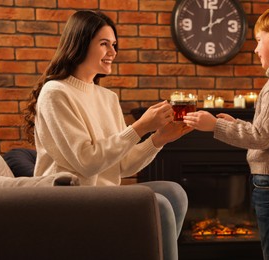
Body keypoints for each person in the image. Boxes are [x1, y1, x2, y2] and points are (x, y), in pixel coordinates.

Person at [23, 10, 192, 260]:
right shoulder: (56, 92)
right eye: (104, 44)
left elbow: (120, 166)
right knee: (160, 204)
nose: (113, 52)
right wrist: (140, 127)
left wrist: (158, 139)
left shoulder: (107, 98)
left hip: (104, 194)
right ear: (80, 44)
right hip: (68, 198)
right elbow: (87, 162)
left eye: (113, 45)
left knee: (174, 192)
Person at [183, 1, 269, 259]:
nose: (255, 49)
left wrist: (215, 126)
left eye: (258, 40)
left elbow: (262, 138)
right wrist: (236, 125)